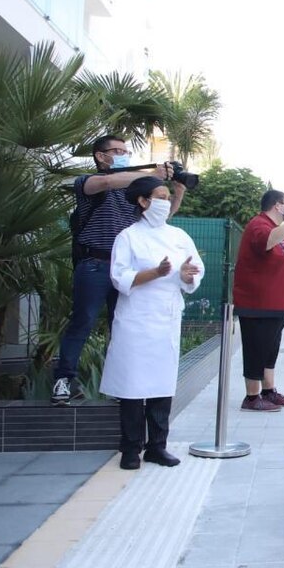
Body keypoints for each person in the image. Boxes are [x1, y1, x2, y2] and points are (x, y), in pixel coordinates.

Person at [52, 136, 184, 406]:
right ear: (100, 156)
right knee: (83, 321)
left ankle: (120, 385)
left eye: (126, 151)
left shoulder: (132, 193)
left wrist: (178, 190)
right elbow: (107, 182)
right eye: (117, 151)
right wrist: (150, 174)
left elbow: (161, 217)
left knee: (122, 325)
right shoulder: (88, 182)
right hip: (95, 264)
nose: (124, 155)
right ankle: (63, 380)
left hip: (127, 270)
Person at [99, 177, 203, 470]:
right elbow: (119, 277)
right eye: (160, 197)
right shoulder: (128, 236)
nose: (166, 202)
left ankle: (157, 446)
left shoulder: (179, 235)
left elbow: (195, 268)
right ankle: (130, 448)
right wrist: (156, 273)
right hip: (136, 319)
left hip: (166, 318)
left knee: (161, 383)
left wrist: (186, 275)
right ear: (143, 201)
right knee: (133, 386)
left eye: (168, 197)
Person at [233, 190, 284, 412]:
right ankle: (252, 397)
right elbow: (266, 242)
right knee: (257, 347)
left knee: (270, 348)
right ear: (277, 205)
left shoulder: (274, 229)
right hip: (259, 306)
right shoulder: (259, 225)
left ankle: (268, 390)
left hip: (276, 306)